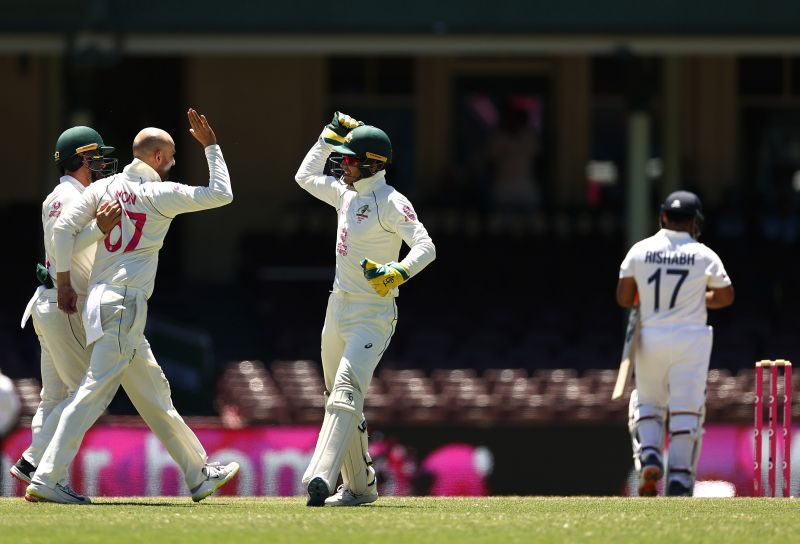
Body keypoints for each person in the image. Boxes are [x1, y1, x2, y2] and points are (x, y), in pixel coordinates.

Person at [24, 109, 239, 504]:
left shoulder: (100, 190)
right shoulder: (161, 193)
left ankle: (199, 474)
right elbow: (222, 193)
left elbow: (61, 231)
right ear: (157, 158)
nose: (172, 164)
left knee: (155, 394)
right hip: (124, 303)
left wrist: (66, 281)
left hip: (101, 302)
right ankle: (47, 477)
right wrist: (211, 147)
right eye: (171, 157)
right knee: (91, 394)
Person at [295, 112, 436, 506]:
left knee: (345, 393)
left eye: (351, 159)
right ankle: (359, 488)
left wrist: (396, 273)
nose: (343, 164)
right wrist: (326, 138)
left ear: (373, 164)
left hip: (373, 314)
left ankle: (320, 476)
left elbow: (426, 247)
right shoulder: (345, 192)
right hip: (336, 307)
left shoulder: (391, 201)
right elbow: (304, 178)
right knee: (338, 399)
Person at [617, 190, 734, 497]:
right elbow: (725, 296)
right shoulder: (704, 254)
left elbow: (624, 298)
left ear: (663, 217)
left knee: (648, 402)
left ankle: (651, 454)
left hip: (651, 337)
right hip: (690, 340)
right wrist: (696, 298)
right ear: (695, 222)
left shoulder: (639, 250)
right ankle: (680, 478)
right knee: (686, 409)